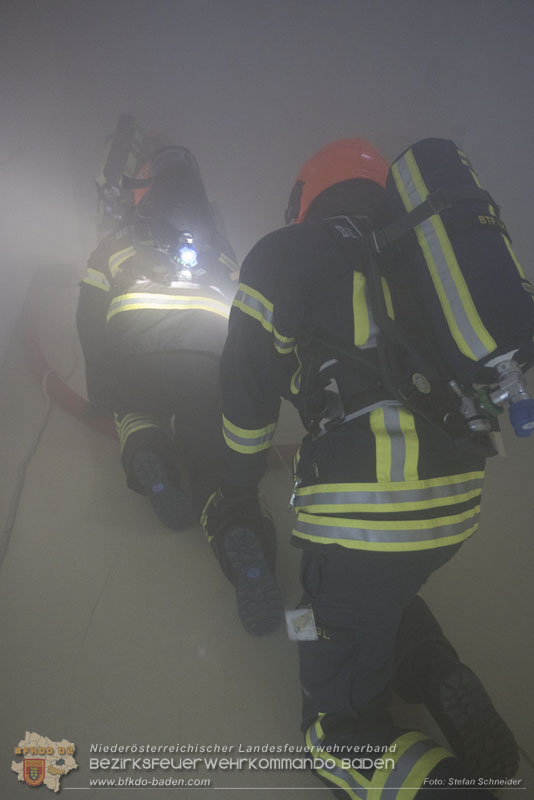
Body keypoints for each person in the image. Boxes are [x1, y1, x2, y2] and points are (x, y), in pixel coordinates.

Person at [202, 139, 520, 796]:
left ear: (306, 197)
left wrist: (235, 488)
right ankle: (434, 669)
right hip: (456, 504)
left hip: (361, 512)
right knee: (379, 590)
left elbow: (246, 390)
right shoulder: (416, 257)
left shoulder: (286, 251)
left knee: (333, 728)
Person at [76, 143, 239, 532]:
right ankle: (221, 512)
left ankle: (149, 452)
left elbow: (88, 313)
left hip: (137, 351)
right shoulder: (218, 246)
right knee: (203, 424)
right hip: (206, 358)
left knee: (136, 409)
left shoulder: (119, 238)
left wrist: (100, 388)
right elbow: (243, 308)